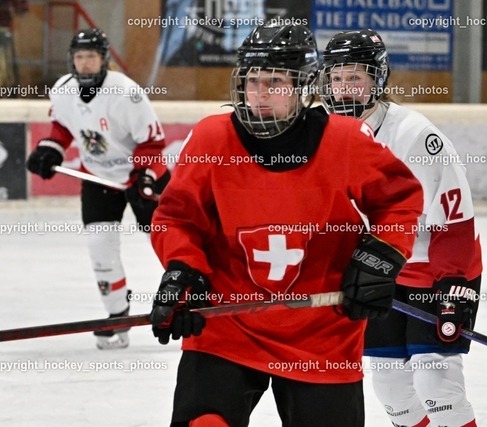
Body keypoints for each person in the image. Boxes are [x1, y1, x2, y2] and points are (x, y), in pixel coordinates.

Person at [148, 23, 423, 427]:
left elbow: (399, 200)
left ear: (303, 86)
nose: (260, 93)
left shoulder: (344, 140)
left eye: (275, 82)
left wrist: (379, 259)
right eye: (252, 81)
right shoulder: (211, 139)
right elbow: (177, 217)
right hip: (228, 324)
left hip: (322, 332)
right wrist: (182, 272)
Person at [319, 29, 482, 427]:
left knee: (437, 386)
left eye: (355, 78)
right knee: (392, 390)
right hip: (380, 273)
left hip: (436, 273)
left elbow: (455, 214)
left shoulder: (414, 135)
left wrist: (453, 283)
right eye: (337, 78)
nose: (344, 88)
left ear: (377, 80)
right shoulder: (324, 134)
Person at [26, 28, 170, 350]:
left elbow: (152, 143)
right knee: (100, 246)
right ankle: (116, 314)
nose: (85, 63)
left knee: (171, 241)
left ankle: (196, 297)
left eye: (91, 56)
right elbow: (63, 127)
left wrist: (143, 179)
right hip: (98, 178)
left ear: (103, 59)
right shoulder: (63, 90)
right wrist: (50, 149)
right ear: (71, 60)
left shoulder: (127, 93)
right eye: (79, 57)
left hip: (143, 177)